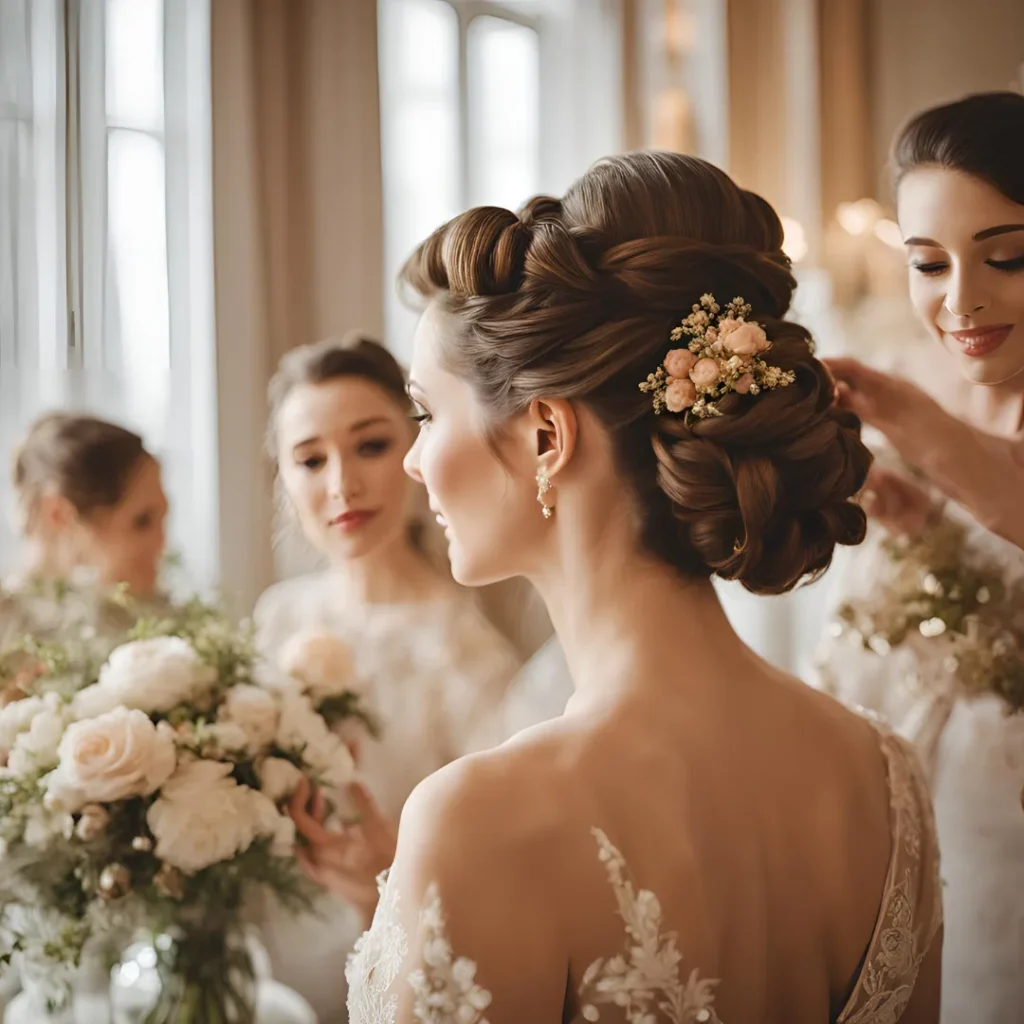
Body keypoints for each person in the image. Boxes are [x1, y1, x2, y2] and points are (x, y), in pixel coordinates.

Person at [293, 153, 943, 1023]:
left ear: (547, 435)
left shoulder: (476, 822)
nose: (413, 462)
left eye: (424, 414)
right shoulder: (882, 779)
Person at [821, 91, 1024, 1023]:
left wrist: (900, 412)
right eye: (928, 264)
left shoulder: (925, 405)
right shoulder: (944, 378)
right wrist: (921, 527)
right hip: (925, 782)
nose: (962, 302)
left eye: (1009, 258)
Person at [253, 334, 522, 1023]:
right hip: (266, 961)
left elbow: (500, 872)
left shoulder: (463, 650)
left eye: (369, 445)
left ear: (416, 449)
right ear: (284, 479)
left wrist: (388, 884)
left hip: (392, 962)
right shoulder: (279, 616)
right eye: (310, 459)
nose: (341, 484)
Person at [1, 413, 169, 651]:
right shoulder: (7, 633)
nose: (162, 544)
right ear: (58, 514)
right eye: (141, 522)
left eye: (163, 518)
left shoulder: (160, 621)